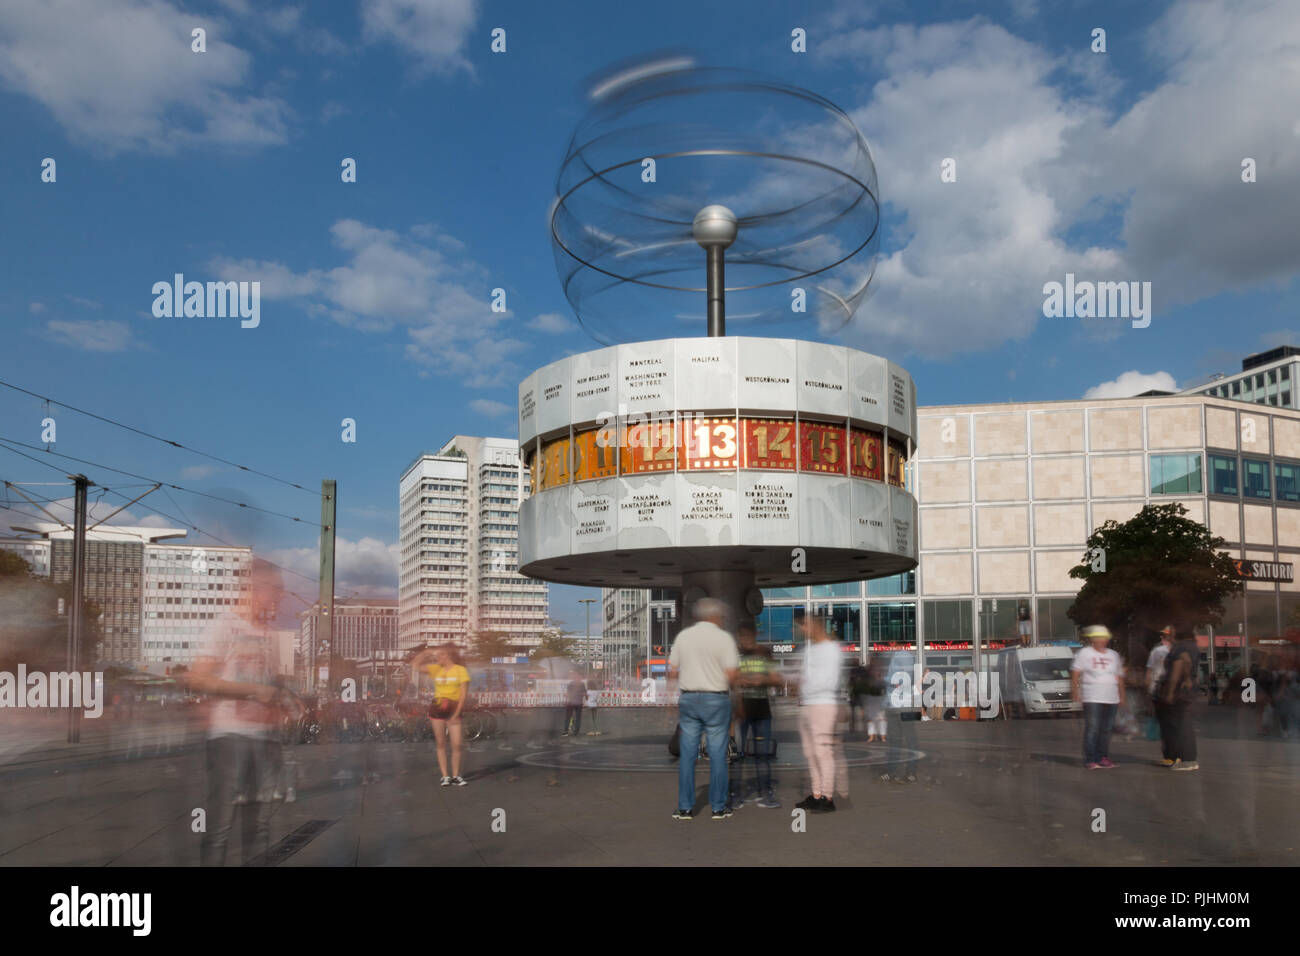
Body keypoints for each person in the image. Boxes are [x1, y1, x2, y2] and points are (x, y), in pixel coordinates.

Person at [186, 563, 290, 866]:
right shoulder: (224, 625)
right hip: (229, 737)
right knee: (220, 826)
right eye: (277, 589)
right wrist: (252, 692)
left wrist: (284, 698)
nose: (281, 596)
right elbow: (199, 678)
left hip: (265, 738)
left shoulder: (268, 633)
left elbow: (268, 684)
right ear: (258, 588)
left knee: (259, 827)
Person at [668, 598, 740, 821]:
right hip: (716, 700)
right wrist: (737, 696)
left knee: (688, 755)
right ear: (715, 616)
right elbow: (731, 674)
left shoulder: (684, 637)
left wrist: (672, 698)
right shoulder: (724, 638)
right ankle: (718, 808)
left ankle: (685, 808)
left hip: (689, 699)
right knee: (718, 755)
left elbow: (672, 670)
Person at [792, 615, 845, 812]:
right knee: (811, 753)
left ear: (815, 625)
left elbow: (828, 681)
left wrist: (805, 687)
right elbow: (805, 675)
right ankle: (816, 794)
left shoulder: (831, 649)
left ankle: (828, 797)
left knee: (823, 752)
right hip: (807, 705)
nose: (801, 630)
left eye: (804, 626)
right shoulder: (809, 649)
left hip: (822, 704)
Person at [732, 626, 780, 808]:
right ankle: (735, 793)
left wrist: (763, 679)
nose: (745, 639)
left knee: (763, 755)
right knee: (737, 754)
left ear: (754, 635)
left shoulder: (764, 653)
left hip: (761, 710)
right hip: (740, 711)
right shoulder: (733, 654)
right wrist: (738, 680)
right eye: (742, 635)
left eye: (748, 635)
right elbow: (726, 678)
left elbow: (776, 678)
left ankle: (765, 792)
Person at [410, 644, 470, 785]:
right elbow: (415, 666)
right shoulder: (436, 669)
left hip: (454, 708)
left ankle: (456, 776)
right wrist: (426, 652)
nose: (437, 658)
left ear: (447, 656)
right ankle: (445, 776)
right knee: (441, 743)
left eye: (440, 655)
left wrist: (456, 714)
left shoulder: (460, 670)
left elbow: (463, 696)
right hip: (437, 707)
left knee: (456, 744)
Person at [1071, 624, 1125, 769]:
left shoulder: (1113, 655)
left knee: (1106, 729)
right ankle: (1090, 759)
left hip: (1111, 697)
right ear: (1093, 639)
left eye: (1105, 638)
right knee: (1093, 728)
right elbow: (1076, 673)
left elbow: (1119, 676)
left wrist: (1122, 695)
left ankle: (1103, 757)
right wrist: (1075, 691)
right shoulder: (1084, 653)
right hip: (1092, 697)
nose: (1103, 640)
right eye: (1100, 637)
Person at [1161, 628, 1200, 771]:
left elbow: (1183, 661)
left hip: (1180, 691)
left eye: (1171, 631)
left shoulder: (1180, 647)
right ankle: (1185, 758)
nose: (1169, 634)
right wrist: (1189, 678)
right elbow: (1188, 660)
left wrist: (1171, 691)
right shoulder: (1192, 646)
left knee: (1182, 725)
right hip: (1188, 692)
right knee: (1184, 724)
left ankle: (1188, 760)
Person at [1146, 626, 1175, 764]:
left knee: (1170, 725)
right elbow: (1149, 671)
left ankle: (1172, 754)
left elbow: (1149, 672)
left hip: (1170, 691)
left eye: (1166, 636)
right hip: (1159, 691)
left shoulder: (1175, 650)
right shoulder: (1157, 651)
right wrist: (1149, 691)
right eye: (1163, 636)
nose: (1163, 638)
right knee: (1165, 724)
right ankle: (1169, 755)